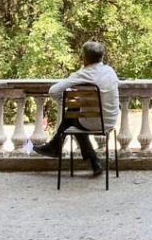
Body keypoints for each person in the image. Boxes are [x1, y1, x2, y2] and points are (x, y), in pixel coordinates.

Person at [34, 41, 119, 177]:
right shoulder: (110, 71)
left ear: (85, 58)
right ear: (101, 57)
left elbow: (53, 91)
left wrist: (65, 102)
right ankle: (93, 161)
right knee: (74, 115)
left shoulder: (82, 74)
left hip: (90, 123)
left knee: (72, 115)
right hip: (110, 121)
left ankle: (56, 146)